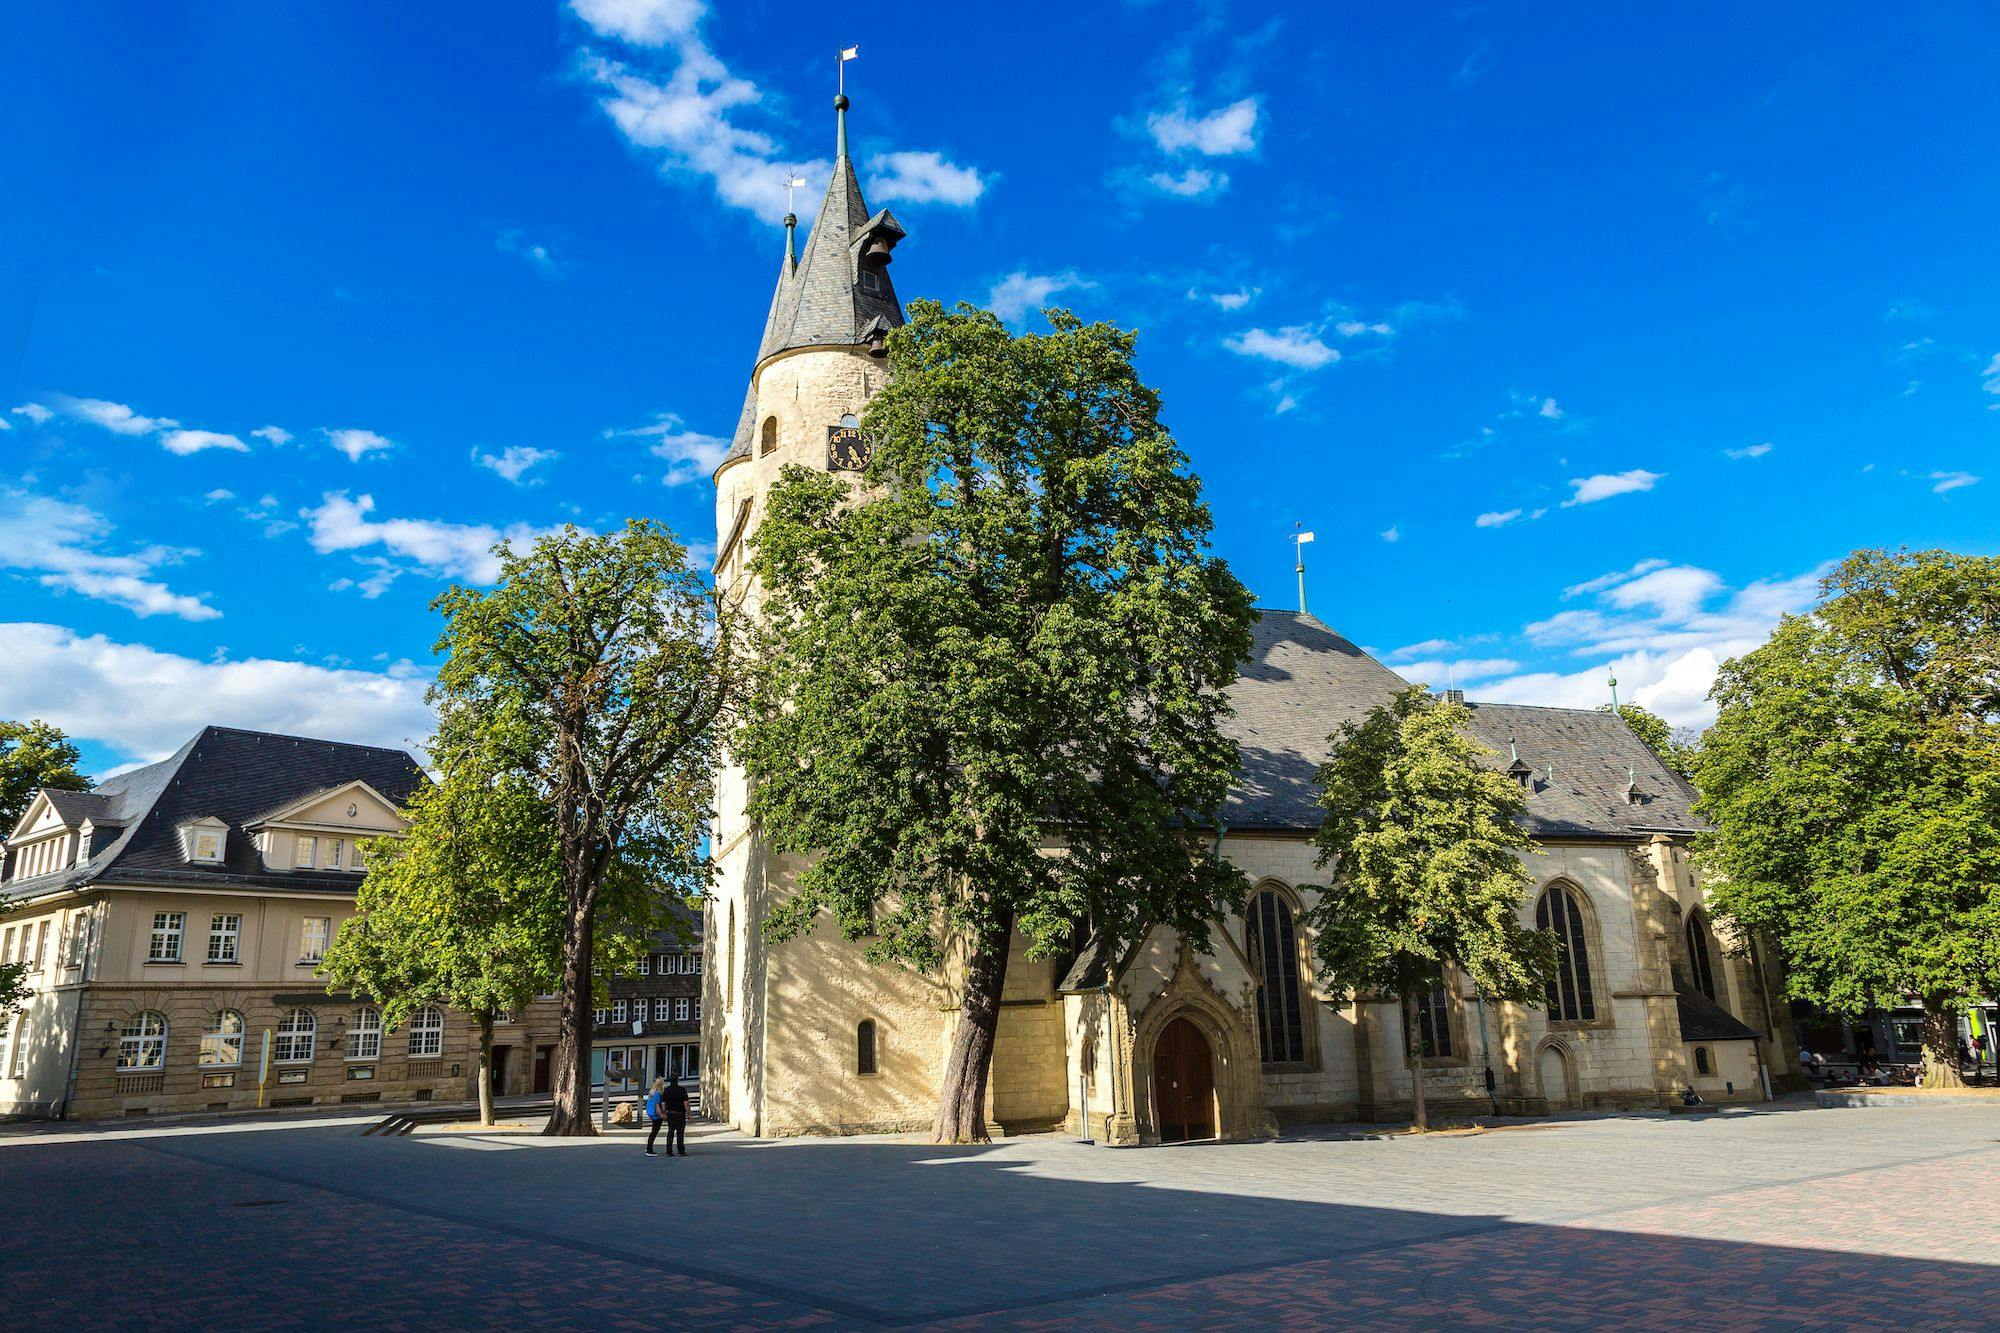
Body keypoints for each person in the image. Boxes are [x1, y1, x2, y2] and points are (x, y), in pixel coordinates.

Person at [663, 1073, 690, 1156]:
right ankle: (681, 1150)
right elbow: (686, 1103)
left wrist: (664, 1113)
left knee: (670, 1132)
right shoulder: (682, 1090)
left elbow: (663, 1103)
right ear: (678, 1080)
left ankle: (669, 1151)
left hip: (670, 1113)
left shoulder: (666, 1090)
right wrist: (688, 1113)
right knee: (680, 1133)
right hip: (680, 1114)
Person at [643, 1077, 666, 1157]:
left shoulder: (652, 1092)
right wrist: (662, 1115)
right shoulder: (658, 1094)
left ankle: (648, 1147)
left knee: (653, 1131)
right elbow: (657, 1106)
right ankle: (649, 1149)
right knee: (654, 1132)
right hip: (656, 1115)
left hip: (651, 1113)